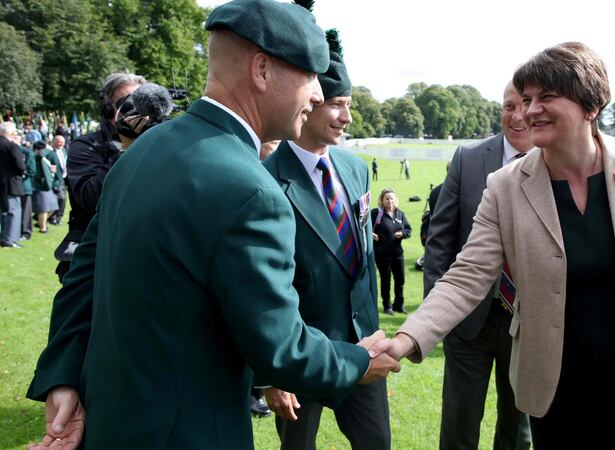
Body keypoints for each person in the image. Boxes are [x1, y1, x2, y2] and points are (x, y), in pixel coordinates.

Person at [25, 1, 399, 448]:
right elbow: (279, 347)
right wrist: (356, 361)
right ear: (262, 70)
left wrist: (63, 376)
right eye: (310, 76)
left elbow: (82, 279)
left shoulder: (143, 149)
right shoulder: (252, 190)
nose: (318, 94)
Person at [375, 42, 615, 449]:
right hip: (559, 388)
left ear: (591, 105)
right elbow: (467, 275)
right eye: (525, 99)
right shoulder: (505, 187)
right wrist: (408, 336)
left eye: (546, 97)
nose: (528, 111)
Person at [263, 31, 390, 449]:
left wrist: (372, 335)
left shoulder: (355, 170)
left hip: (363, 351)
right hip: (302, 356)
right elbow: (263, 288)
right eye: (338, 105)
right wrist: (272, 376)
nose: (346, 117)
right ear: (311, 103)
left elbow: (364, 261)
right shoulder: (264, 179)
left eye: (348, 105)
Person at [422, 81, 533, 449]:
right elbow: (440, 239)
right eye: (508, 106)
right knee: (459, 422)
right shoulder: (468, 159)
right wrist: (437, 316)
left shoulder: (554, 161)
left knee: (518, 428)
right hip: (467, 322)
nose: (517, 116)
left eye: (525, 105)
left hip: (529, 325)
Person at [53, 71, 146, 281]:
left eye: (141, 102)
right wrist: (125, 147)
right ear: (107, 109)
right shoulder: (85, 146)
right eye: (127, 102)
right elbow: (89, 197)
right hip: (94, 259)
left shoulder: (157, 142)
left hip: (141, 256)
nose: (135, 110)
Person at [372, 188, 411, 315]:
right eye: (387, 198)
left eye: (392, 198)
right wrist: (372, 235)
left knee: (400, 280)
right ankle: (387, 306)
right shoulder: (376, 213)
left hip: (398, 254)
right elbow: (364, 227)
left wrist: (403, 234)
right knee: (386, 280)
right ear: (382, 200)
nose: (390, 201)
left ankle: (398, 305)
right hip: (382, 255)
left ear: (396, 200)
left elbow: (408, 230)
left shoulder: (400, 214)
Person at [0, 121, 25, 248]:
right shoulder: (11, 146)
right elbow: (20, 166)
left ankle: (4, 237)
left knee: (4, 212)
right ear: (10, 132)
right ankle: (10, 239)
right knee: (14, 211)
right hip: (11, 182)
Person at [31, 141, 59, 233]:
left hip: (47, 185)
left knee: (52, 207)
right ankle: (43, 228)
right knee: (44, 208)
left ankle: (39, 222)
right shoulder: (36, 157)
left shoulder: (44, 157)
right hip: (40, 186)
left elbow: (53, 167)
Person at [49, 135, 68, 225]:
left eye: (63, 142)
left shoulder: (64, 151)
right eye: (59, 142)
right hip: (56, 180)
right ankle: (53, 217)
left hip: (65, 179)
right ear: (54, 142)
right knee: (60, 198)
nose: (61, 144)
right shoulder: (50, 153)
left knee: (63, 199)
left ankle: (58, 217)